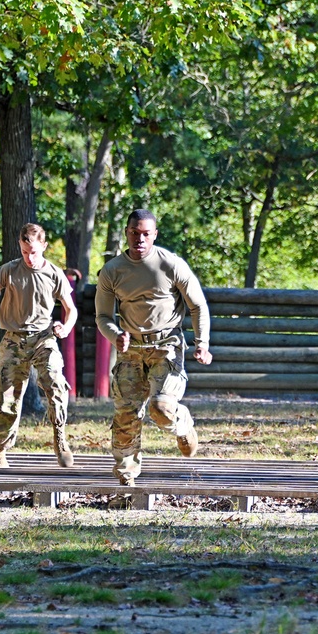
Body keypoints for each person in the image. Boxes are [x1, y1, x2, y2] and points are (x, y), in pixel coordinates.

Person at [95, 208, 212, 487]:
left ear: (155, 235)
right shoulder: (112, 271)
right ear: (127, 233)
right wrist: (115, 335)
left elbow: (197, 306)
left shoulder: (171, 264)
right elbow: (102, 317)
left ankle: (182, 424)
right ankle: (126, 477)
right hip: (131, 348)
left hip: (166, 346)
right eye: (135, 233)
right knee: (126, 414)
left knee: (161, 408)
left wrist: (202, 343)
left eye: (146, 234)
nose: (140, 239)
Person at [0, 223, 78, 468]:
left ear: (43, 246)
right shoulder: (9, 271)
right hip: (14, 339)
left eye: (33, 251)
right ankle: (0, 449)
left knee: (55, 381)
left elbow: (71, 310)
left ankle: (60, 437)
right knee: (5, 394)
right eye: (24, 252)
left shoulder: (54, 273)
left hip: (44, 338)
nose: (29, 257)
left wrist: (66, 327)